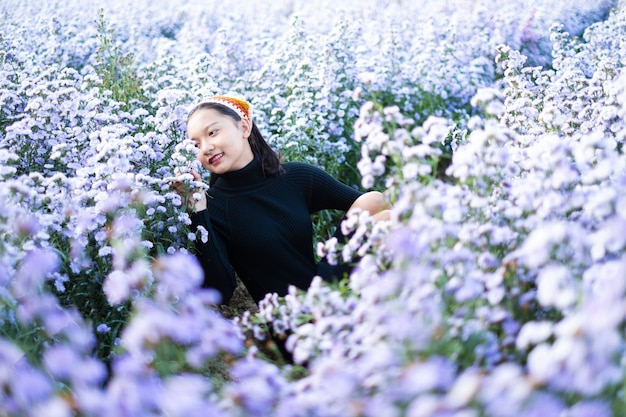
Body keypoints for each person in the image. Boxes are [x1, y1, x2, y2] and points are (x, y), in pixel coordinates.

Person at [174, 95, 390, 304]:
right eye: (195, 145)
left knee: (375, 201)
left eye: (212, 132)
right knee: (386, 219)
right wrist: (197, 211)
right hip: (293, 318)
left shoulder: (295, 176)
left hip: (324, 286)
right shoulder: (213, 205)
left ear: (244, 127)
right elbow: (220, 292)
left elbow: (369, 208)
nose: (205, 148)